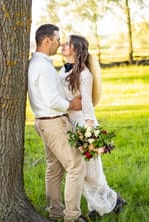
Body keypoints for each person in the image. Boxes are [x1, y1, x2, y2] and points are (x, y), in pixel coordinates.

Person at [59, 34, 127, 219]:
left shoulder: (84, 74)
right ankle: (97, 206)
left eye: (67, 43)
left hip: (83, 123)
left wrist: (90, 130)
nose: (63, 45)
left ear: (76, 49)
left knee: (92, 172)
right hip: (69, 124)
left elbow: (87, 102)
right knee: (80, 170)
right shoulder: (62, 71)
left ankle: (112, 202)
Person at [27, 24, 88, 222]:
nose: (60, 43)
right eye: (57, 39)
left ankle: (55, 212)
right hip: (53, 123)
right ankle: (71, 217)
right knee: (76, 166)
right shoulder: (43, 67)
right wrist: (71, 104)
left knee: (54, 169)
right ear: (46, 41)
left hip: (44, 122)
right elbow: (51, 100)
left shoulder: (37, 63)